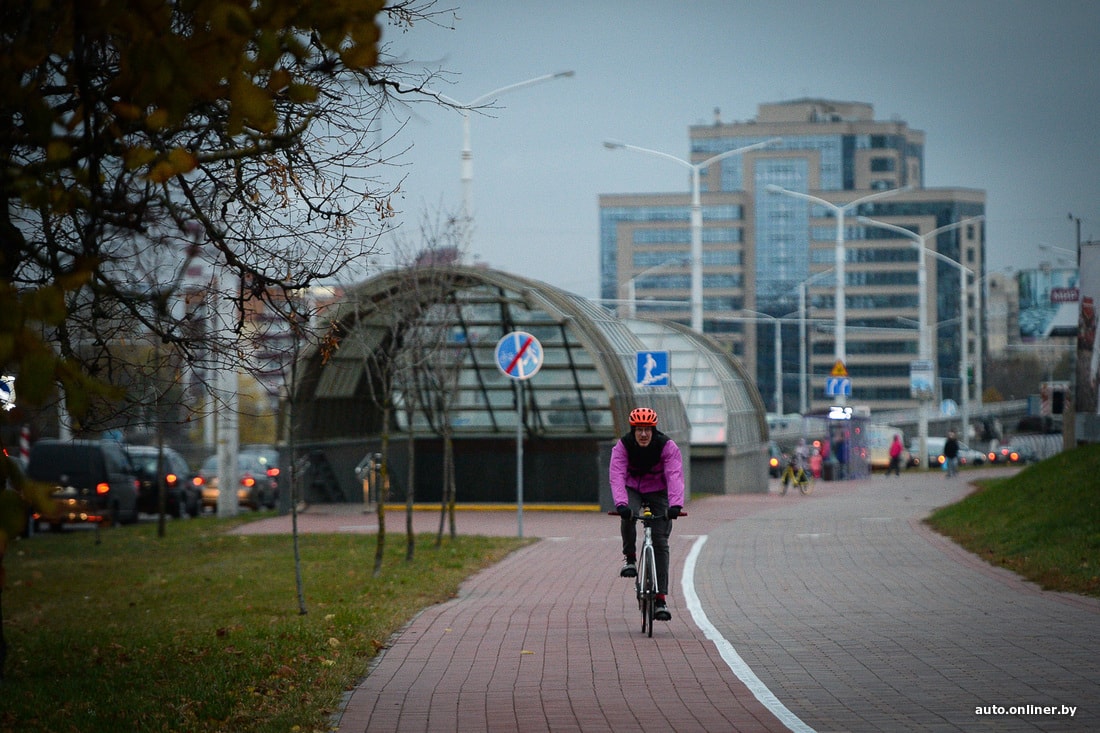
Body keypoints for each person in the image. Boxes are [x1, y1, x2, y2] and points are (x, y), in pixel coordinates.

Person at [610, 406, 685, 622]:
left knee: (660, 542)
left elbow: (674, 475)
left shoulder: (667, 446)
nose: (643, 434)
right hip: (632, 488)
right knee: (629, 514)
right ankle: (630, 559)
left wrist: (676, 505)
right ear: (633, 431)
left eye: (647, 429)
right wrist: (621, 504)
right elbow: (617, 475)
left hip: (658, 490)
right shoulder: (623, 446)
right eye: (639, 429)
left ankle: (660, 599)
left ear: (654, 430)